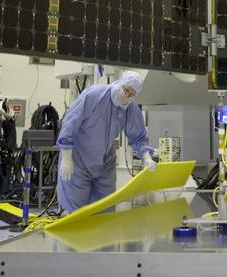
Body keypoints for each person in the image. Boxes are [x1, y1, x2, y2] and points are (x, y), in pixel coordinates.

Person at [56, 71, 156, 215]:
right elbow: (71, 121)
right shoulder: (94, 95)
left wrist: (146, 157)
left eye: (132, 94)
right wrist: (66, 155)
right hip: (78, 158)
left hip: (105, 160)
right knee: (75, 211)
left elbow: (138, 135)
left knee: (105, 208)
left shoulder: (130, 108)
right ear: (120, 83)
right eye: (126, 90)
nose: (127, 95)